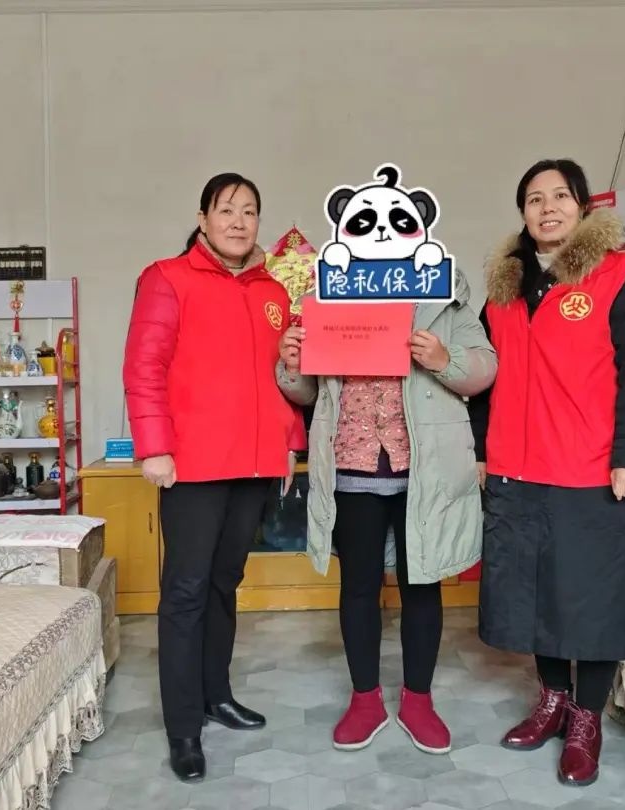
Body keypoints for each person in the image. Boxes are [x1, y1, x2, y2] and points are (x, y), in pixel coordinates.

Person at [467, 158, 625, 786]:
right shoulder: (505, 289)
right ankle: (552, 700)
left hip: (592, 469)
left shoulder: (619, 274)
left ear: (582, 206)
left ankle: (586, 718)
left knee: (595, 598)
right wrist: (481, 450)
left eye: (559, 196)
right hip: (517, 469)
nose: (547, 207)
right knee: (536, 594)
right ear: (523, 212)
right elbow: (482, 378)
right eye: (534, 198)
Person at [122, 172, 303, 783]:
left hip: (253, 464)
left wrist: (289, 444)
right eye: (226, 210)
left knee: (226, 584)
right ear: (203, 219)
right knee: (186, 591)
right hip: (192, 465)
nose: (238, 221)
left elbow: (284, 377)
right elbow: (144, 366)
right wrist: (154, 447)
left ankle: (215, 695)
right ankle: (183, 727)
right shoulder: (167, 278)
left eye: (249, 211)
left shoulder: (273, 290)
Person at [277, 273, 496, 755]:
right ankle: (365, 699)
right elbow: (308, 393)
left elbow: (485, 368)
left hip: (424, 468)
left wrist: (445, 359)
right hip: (352, 465)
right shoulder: (328, 295)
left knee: (422, 584)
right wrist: (292, 365)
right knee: (358, 586)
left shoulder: (445, 296)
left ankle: (418, 700)